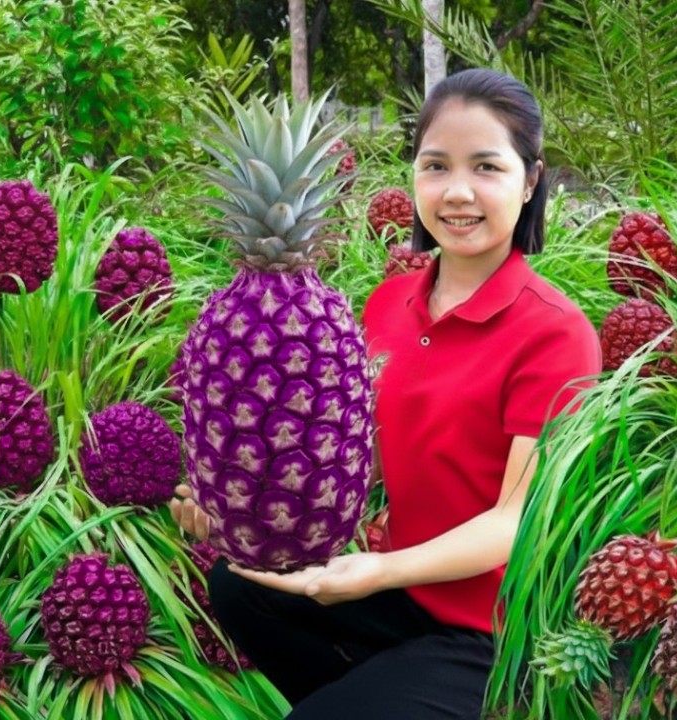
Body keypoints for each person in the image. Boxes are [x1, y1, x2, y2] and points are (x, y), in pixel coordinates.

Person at [170, 68, 601, 719]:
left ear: (531, 179)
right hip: (405, 599)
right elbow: (350, 453)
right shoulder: (388, 303)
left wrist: (374, 573)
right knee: (237, 587)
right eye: (436, 166)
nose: (458, 192)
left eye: (486, 167)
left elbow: (515, 524)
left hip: (494, 631)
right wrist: (234, 500)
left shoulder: (556, 332)